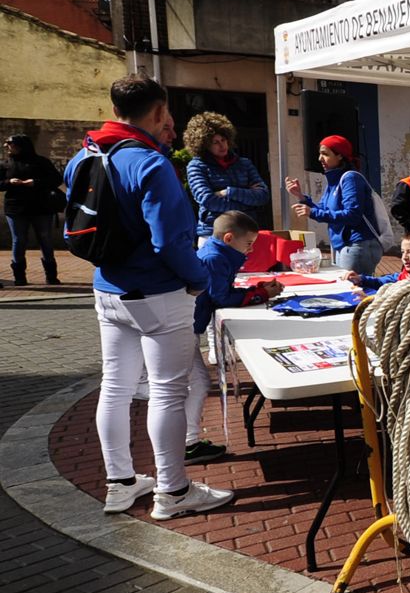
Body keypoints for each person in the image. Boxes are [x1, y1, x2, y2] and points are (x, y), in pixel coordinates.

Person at [66, 74, 235, 520]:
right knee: (166, 392)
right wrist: (199, 280)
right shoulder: (151, 164)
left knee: (116, 387)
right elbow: (170, 243)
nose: (173, 127)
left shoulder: (84, 155)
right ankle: (173, 491)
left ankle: (120, 483)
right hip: (158, 295)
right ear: (158, 111)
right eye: (170, 116)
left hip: (107, 290)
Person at [187, 210, 282, 463]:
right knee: (194, 384)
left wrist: (257, 290)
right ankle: (187, 443)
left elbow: (223, 291)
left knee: (193, 384)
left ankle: (188, 441)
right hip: (185, 328)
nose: (250, 250)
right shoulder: (215, 258)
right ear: (229, 238)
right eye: (248, 244)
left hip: (188, 326)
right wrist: (262, 295)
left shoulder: (219, 254)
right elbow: (221, 297)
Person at [284, 135, 383, 277]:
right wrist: (300, 196)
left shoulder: (350, 178)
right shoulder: (334, 181)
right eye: (320, 153)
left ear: (340, 156)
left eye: (325, 154)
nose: (320, 159)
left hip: (357, 245)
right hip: (344, 245)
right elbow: (324, 210)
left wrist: (312, 212)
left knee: (353, 290)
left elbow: (353, 215)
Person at [183, 112, 269, 243]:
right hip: (213, 234)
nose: (222, 145)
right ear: (204, 145)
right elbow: (209, 200)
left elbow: (263, 196)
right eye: (215, 142)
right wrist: (248, 203)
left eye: (223, 140)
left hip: (245, 233)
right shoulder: (196, 166)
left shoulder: (244, 163)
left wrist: (228, 192)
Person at [0, 133, 65, 287]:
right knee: (19, 240)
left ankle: (51, 276)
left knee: (45, 239)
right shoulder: (5, 164)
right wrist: (9, 182)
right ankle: (19, 277)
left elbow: (56, 179)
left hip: (41, 207)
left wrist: (35, 182)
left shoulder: (41, 162)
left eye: (11, 144)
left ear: (22, 146)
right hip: (15, 208)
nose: (8, 147)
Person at [346, 229, 410, 291]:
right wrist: (361, 279)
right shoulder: (406, 274)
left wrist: (375, 298)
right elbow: (382, 281)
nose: (404, 257)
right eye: (402, 252)